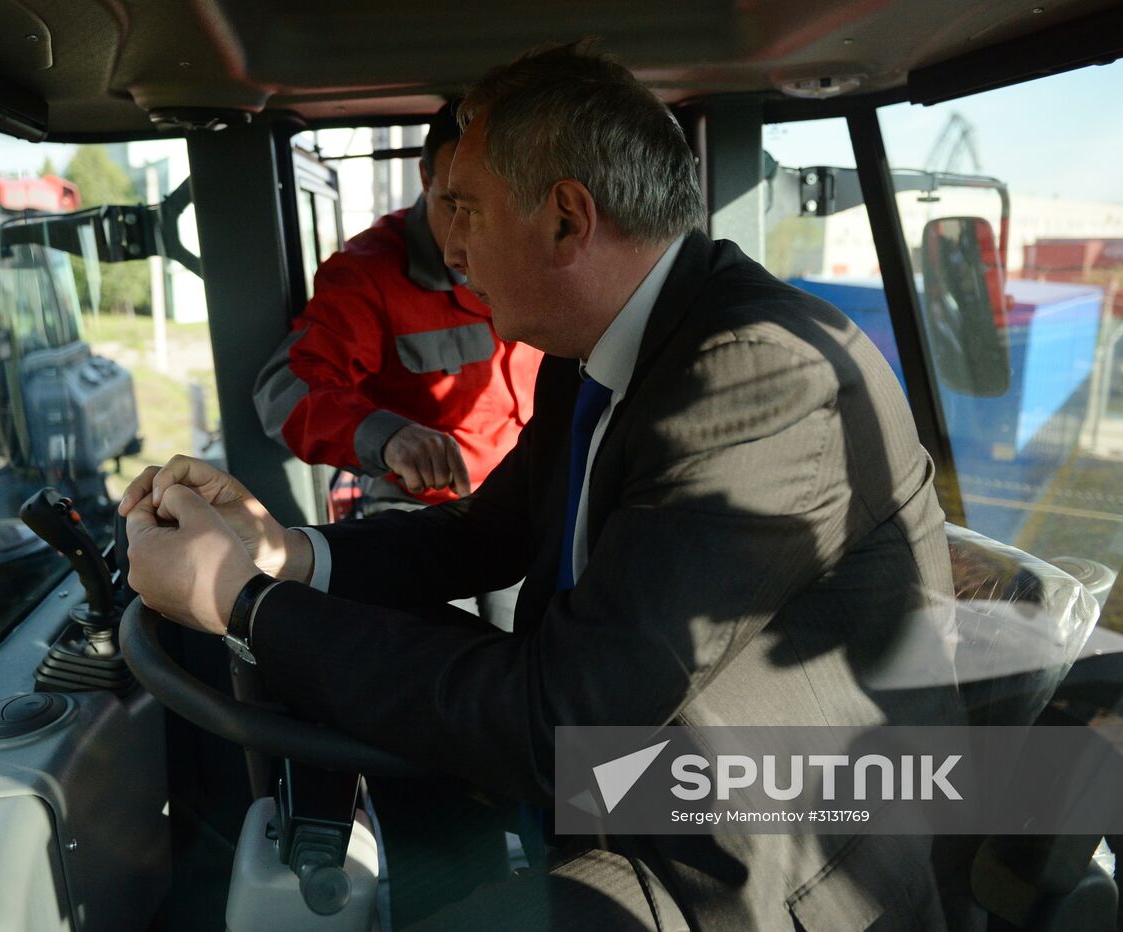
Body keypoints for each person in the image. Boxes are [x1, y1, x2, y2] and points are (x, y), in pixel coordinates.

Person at [122, 44, 969, 931]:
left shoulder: (756, 376)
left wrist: (241, 602)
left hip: (747, 861)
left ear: (567, 220)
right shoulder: (601, 349)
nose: (452, 245)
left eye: (468, 209)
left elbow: (560, 731)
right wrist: (285, 555)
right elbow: (488, 532)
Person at [252, 102, 541, 631]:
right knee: (438, 662)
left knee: (535, 645)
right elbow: (285, 390)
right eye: (453, 202)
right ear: (425, 175)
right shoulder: (367, 276)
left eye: (485, 209)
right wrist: (389, 437)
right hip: (420, 512)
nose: (465, 242)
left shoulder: (536, 257)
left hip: (525, 503)